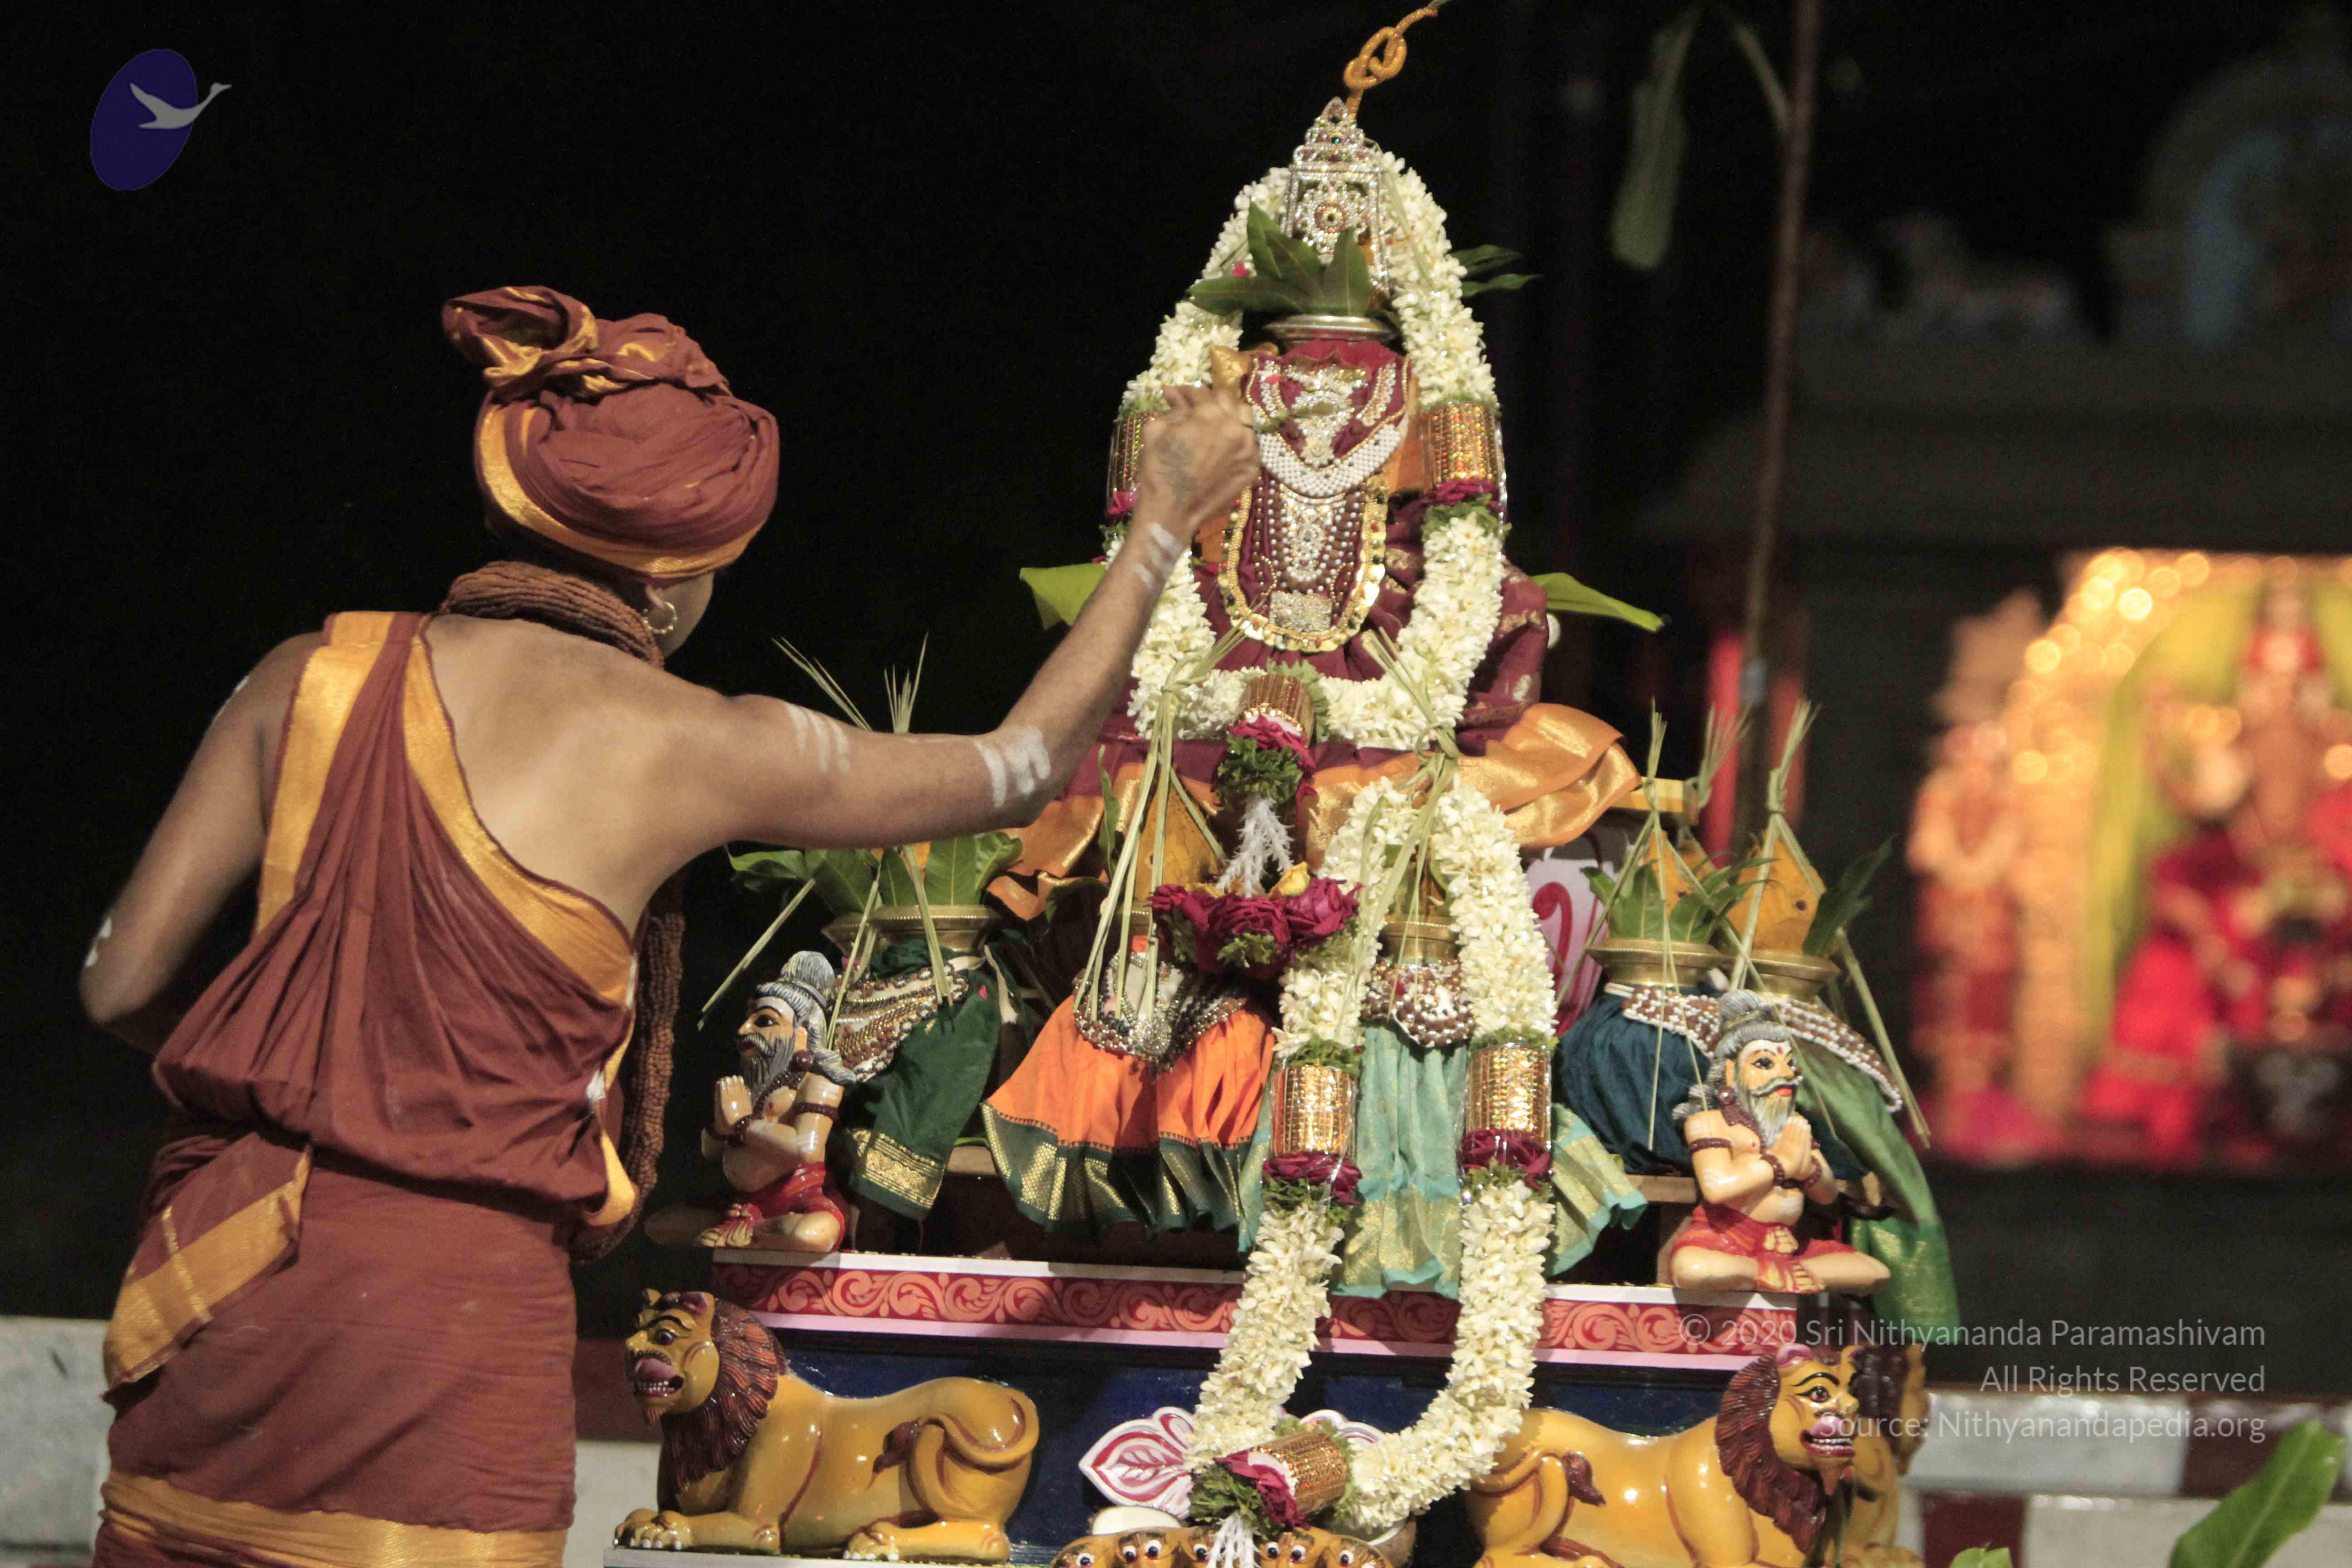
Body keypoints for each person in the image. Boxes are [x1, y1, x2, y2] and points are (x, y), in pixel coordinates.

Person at [78, 283, 1257, 1567]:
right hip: (449, 1317)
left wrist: (314, 1076)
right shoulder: (694, 742)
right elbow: (1021, 767)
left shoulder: (306, 674)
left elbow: (120, 985)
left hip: (224, 1278)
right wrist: (1162, 523)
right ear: (677, 573)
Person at [1668, 991, 1890, 1297]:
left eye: (1789, 1064)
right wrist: (1781, 1164)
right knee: (1693, 1268)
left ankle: (1782, 1271)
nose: (1785, 1075)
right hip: (1727, 1239)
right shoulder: (1709, 1122)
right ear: (1732, 1072)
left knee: (1875, 1272)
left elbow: (1827, 1197)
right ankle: (1758, 1271)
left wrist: (1808, 1169)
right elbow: (1717, 1189)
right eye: (1765, 1063)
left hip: (1788, 1244)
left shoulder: (1793, 1124)